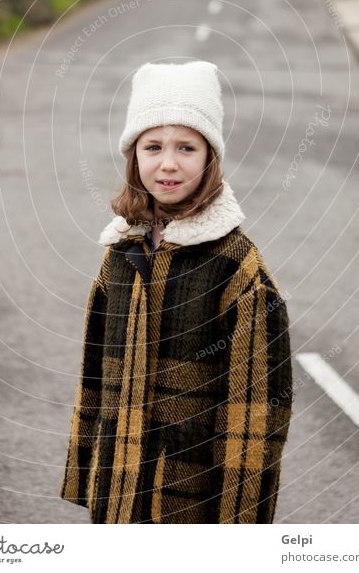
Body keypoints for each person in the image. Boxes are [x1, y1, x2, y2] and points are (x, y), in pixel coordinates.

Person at [59, 60, 293, 523]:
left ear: (210, 157)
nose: (168, 162)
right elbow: (95, 376)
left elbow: (257, 415)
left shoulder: (237, 268)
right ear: (134, 157)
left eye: (186, 146)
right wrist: (89, 473)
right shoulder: (121, 252)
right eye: (153, 146)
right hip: (118, 493)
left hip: (190, 503)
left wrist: (240, 526)